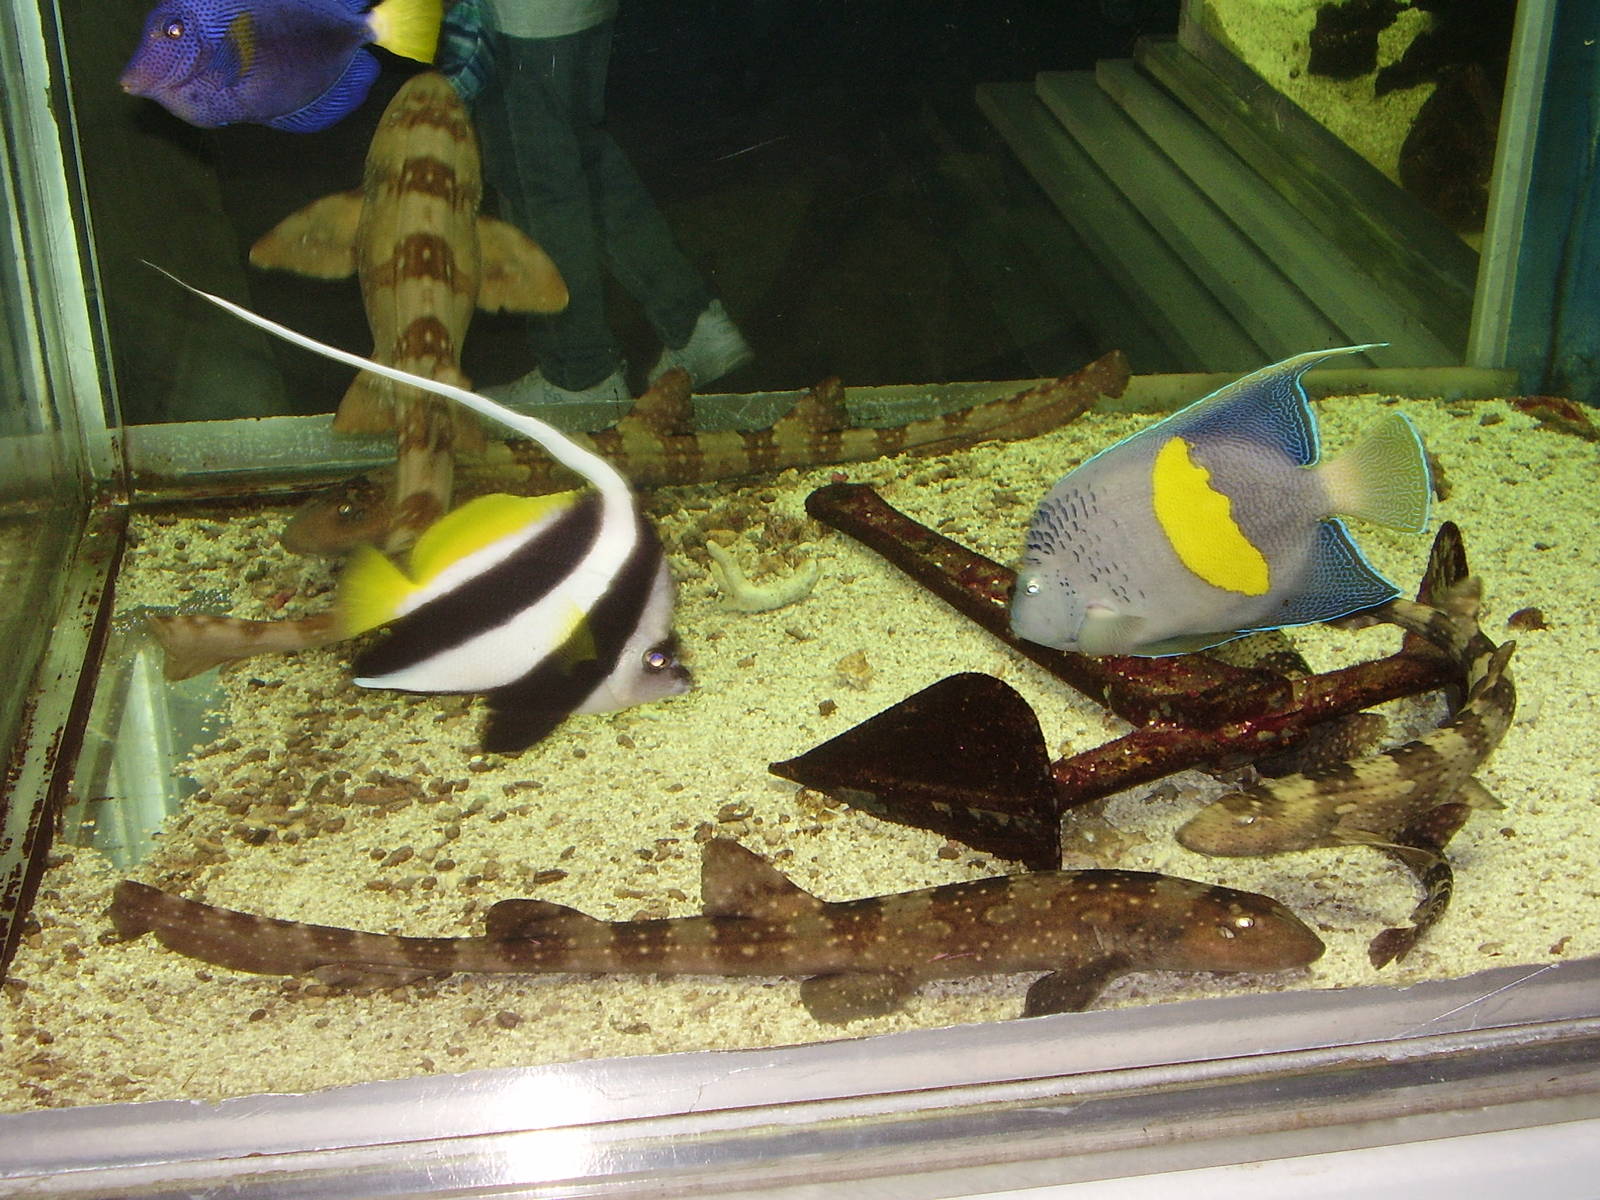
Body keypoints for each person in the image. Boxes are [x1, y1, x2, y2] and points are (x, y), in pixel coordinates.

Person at [440, 0, 752, 410]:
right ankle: (693, 323)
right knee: (583, 161)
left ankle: (579, 376)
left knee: (538, 187)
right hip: (577, 14)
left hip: (523, 21)